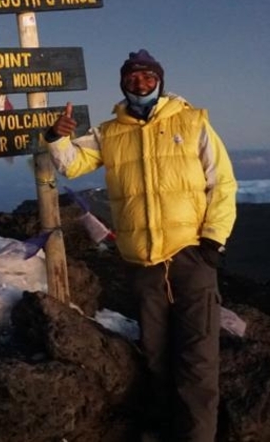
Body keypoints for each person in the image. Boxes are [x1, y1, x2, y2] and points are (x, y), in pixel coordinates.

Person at [45, 50, 237, 442]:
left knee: (198, 358)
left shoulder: (192, 121)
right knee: (155, 355)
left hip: (190, 255)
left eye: (148, 76)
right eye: (132, 77)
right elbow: (72, 165)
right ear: (122, 83)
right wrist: (56, 137)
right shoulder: (109, 131)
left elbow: (222, 182)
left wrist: (213, 241)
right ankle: (165, 429)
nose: (140, 83)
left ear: (160, 81)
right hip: (142, 263)